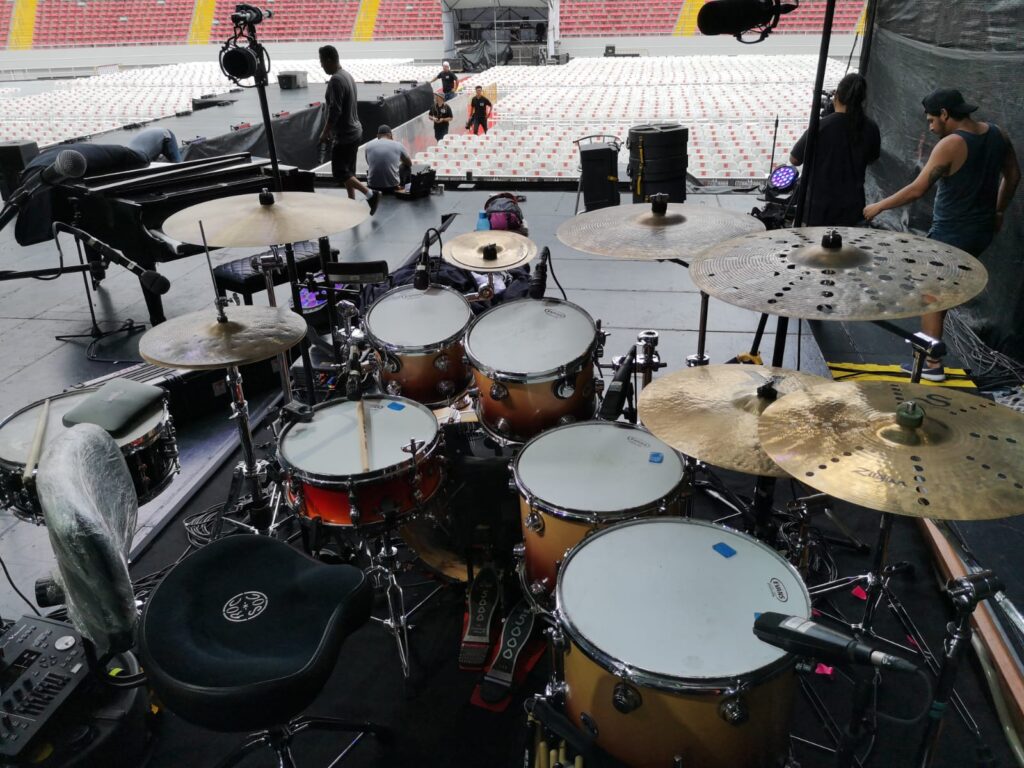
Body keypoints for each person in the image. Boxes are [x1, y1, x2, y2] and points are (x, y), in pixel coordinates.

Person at [863, 89, 1019, 381]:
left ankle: (931, 364)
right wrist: (999, 211)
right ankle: (930, 355)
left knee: (930, 295)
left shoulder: (951, 145)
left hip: (951, 235)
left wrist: (878, 206)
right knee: (942, 292)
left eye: (931, 120)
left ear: (945, 114)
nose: (931, 127)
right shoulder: (999, 134)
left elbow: (917, 189)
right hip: (982, 231)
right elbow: (1013, 176)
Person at [789, 72, 880, 226]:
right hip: (852, 213)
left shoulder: (821, 126)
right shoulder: (871, 128)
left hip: (816, 213)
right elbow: (872, 158)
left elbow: (794, 159)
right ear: (862, 100)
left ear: (837, 96)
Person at [318, 44, 380, 215]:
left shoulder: (336, 80)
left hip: (345, 135)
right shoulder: (347, 75)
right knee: (348, 172)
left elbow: (335, 110)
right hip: (355, 132)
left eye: (322, 62)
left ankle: (371, 194)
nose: (321, 66)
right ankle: (351, 203)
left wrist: (325, 132)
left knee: (339, 172)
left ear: (329, 60)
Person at [364, 125, 412, 192]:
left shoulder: (368, 145)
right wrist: (399, 159)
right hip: (392, 187)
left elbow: (369, 163)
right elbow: (409, 163)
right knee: (406, 167)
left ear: (378, 136)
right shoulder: (398, 145)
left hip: (372, 186)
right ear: (391, 135)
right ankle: (406, 190)